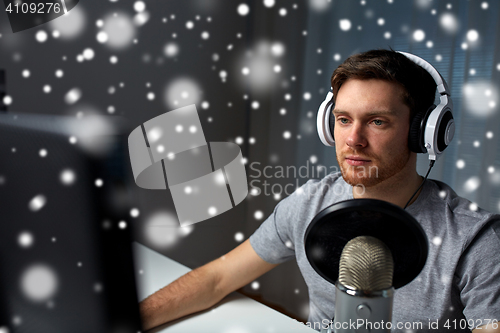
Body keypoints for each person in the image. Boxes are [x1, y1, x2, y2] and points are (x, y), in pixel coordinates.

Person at [139, 49, 500, 332]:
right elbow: (217, 278)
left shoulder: (475, 240)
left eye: (377, 122)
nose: (353, 140)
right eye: (343, 120)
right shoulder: (311, 204)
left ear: (422, 132)